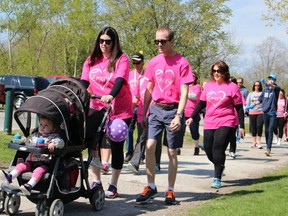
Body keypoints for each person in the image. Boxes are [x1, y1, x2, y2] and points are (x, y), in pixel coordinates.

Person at [136, 26, 195, 204]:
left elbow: (185, 91)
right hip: (155, 108)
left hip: (172, 110)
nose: (159, 44)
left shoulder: (182, 63)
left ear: (171, 42)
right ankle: (151, 186)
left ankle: (170, 190)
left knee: (171, 151)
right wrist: (144, 112)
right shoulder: (153, 62)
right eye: (156, 41)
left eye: (163, 41)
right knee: (149, 146)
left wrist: (179, 115)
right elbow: (148, 88)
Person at [81, 26, 133, 198]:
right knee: (93, 143)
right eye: (101, 40)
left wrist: (110, 95)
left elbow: (119, 80)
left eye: (108, 41)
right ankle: (96, 179)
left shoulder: (121, 59)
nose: (104, 44)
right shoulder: (91, 60)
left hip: (119, 109)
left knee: (116, 146)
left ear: (114, 42)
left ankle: (114, 184)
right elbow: (83, 82)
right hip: (96, 107)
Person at [186, 60, 245, 189]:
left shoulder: (232, 87)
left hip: (226, 120)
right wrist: (191, 117)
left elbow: (239, 108)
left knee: (218, 147)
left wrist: (242, 126)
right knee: (208, 149)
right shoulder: (209, 86)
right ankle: (220, 164)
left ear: (224, 72)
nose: (216, 73)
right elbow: (201, 103)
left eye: (218, 71)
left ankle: (217, 177)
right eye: (214, 71)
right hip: (210, 120)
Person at [0, 115, 64, 195]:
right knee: (21, 165)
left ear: (53, 128)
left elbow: (61, 143)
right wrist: (23, 140)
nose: (42, 127)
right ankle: (10, 176)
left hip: (44, 164)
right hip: (31, 161)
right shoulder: (35, 136)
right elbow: (29, 142)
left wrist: (53, 144)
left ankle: (29, 185)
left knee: (38, 171)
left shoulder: (54, 137)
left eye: (46, 125)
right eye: (41, 124)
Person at [124, 52, 145, 163]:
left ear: (142, 62)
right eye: (134, 63)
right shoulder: (130, 74)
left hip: (142, 107)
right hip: (130, 106)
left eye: (138, 62)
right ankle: (129, 153)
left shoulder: (147, 75)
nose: (135, 65)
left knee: (141, 132)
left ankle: (140, 154)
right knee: (128, 130)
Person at [258, 74, 281, 156]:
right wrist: (253, 104)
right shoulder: (265, 90)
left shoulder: (277, 89)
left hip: (272, 113)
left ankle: (268, 148)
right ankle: (268, 145)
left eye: (272, 79)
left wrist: (269, 84)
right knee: (267, 130)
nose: (270, 80)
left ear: (275, 81)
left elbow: (274, 87)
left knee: (270, 129)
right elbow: (260, 100)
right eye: (269, 79)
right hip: (265, 113)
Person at [182, 73, 202, 155]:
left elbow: (195, 96)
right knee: (180, 131)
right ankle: (178, 148)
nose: (192, 78)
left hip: (193, 113)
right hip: (183, 112)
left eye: (194, 76)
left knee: (194, 131)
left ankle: (196, 147)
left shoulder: (197, 86)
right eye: (190, 76)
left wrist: (184, 93)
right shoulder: (184, 85)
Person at [245, 81, 264, 149]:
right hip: (252, 112)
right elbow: (247, 103)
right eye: (255, 85)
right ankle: (254, 142)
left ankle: (259, 141)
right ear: (254, 86)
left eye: (258, 85)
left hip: (260, 112)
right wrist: (246, 110)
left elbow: (264, 102)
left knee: (259, 125)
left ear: (260, 86)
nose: (257, 86)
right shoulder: (251, 94)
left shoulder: (262, 94)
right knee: (253, 127)